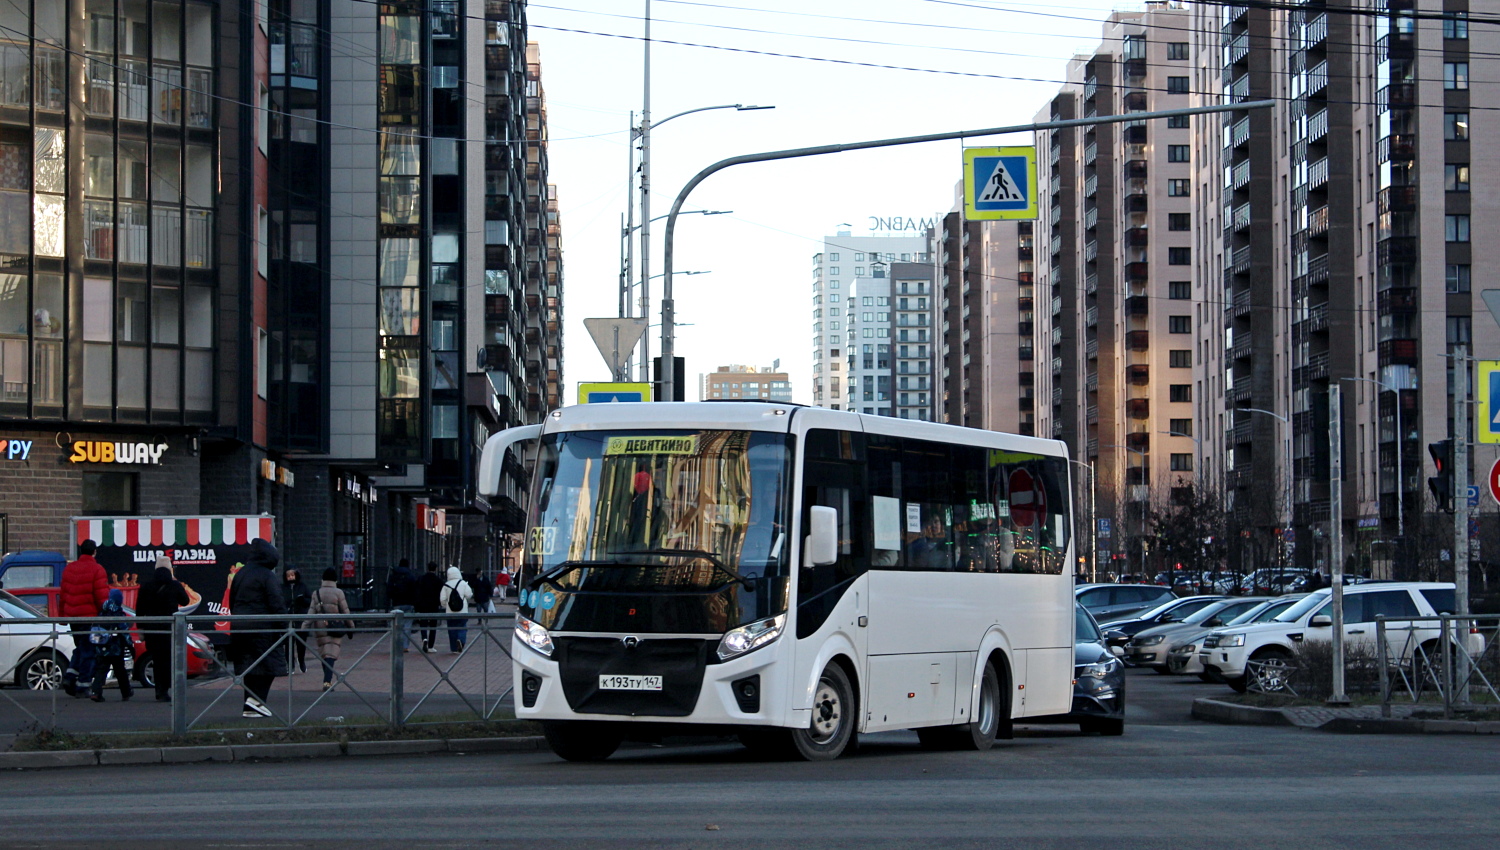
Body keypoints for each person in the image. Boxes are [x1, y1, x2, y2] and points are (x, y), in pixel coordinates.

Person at [228, 538, 288, 718]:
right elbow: (276, 602)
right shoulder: (267, 575)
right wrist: (285, 626)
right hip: (263, 628)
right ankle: (257, 702)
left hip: (240, 627)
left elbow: (232, 600)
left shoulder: (241, 574)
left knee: (249, 666)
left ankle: (250, 706)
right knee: (268, 664)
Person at [60, 539, 111, 698]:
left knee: (81, 648)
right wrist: (106, 614)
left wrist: (63, 616)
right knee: (88, 650)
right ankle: (83, 685)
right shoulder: (97, 569)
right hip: (90, 617)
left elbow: (63, 594)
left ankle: (69, 676)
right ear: (94, 551)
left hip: (74, 617)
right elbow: (101, 596)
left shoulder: (70, 569)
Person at [136, 555, 189, 701]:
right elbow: (185, 601)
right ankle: (166, 689)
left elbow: (140, 609)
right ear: (170, 569)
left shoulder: (146, 585)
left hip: (152, 629)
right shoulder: (174, 585)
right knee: (169, 659)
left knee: (157, 659)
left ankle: (159, 690)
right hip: (170, 628)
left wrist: (141, 628)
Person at [306, 568, 351, 692]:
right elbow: (345, 611)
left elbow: (311, 612)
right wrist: (351, 627)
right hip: (335, 625)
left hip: (320, 627)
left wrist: (304, 627)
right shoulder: (339, 593)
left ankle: (327, 680)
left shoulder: (316, 593)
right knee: (331, 654)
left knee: (324, 653)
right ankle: (327, 681)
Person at [89, 589, 134, 702]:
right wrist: (130, 645)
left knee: (101, 669)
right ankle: (126, 692)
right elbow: (124, 632)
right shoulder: (118, 613)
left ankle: (96, 692)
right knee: (120, 671)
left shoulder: (102, 612)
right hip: (115, 647)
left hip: (101, 645)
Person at [281, 568, 311, 674]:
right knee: (289, 644)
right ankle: (290, 665)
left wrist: (302, 600)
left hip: (300, 618)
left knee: (301, 643)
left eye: (292, 575)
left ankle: (301, 661)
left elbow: (309, 600)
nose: (291, 578)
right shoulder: (282, 588)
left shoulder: (302, 587)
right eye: (288, 576)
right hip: (288, 619)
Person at [387, 557, 419, 652]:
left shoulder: (394, 575)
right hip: (409, 603)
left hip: (396, 603)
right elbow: (415, 590)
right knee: (407, 625)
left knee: (396, 625)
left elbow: (389, 589)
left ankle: (396, 645)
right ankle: (405, 646)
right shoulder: (411, 576)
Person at [440, 566, 474, 652]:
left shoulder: (446, 585)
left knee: (451, 629)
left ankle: (453, 648)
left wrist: (446, 606)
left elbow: (442, 599)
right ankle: (461, 640)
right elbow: (469, 594)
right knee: (462, 627)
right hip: (462, 611)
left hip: (450, 612)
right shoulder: (463, 583)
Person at [415, 561, 444, 653]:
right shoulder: (438, 580)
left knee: (423, 623)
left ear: (427, 568)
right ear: (435, 569)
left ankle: (424, 638)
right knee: (433, 625)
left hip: (423, 605)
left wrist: (417, 604)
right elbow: (441, 593)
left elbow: (417, 591)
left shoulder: (421, 579)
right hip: (434, 605)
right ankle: (431, 646)